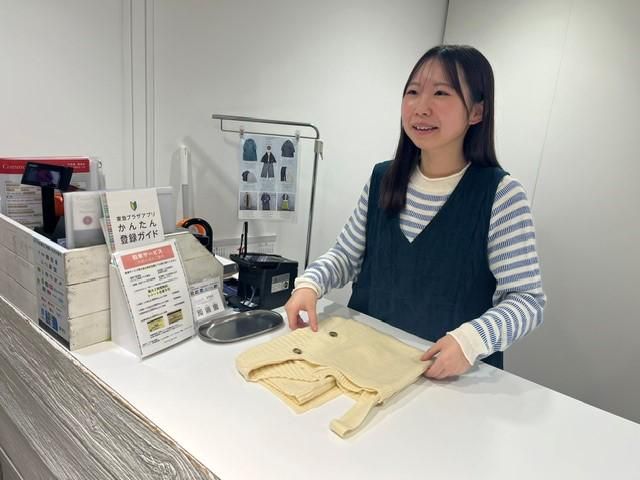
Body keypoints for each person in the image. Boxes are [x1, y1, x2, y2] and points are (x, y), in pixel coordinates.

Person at [285, 44, 546, 380]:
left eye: (441, 93)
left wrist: (470, 341)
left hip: (445, 377)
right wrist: (309, 284)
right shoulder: (384, 177)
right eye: (412, 92)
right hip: (366, 357)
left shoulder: (501, 195)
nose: (421, 108)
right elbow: (346, 256)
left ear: (476, 112)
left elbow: (526, 300)